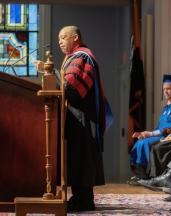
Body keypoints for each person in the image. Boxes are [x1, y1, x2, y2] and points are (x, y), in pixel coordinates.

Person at [35, 26, 113, 211]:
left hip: (83, 119)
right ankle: (80, 198)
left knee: (81, 158)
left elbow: (72, 90)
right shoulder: (74, 57)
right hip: (77, 117)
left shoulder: (82, 57)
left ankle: (84, 201)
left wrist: (49, 71)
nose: (60, 41)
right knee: (78, 158)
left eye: (64, 37)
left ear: (75, 37)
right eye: (59, 38)